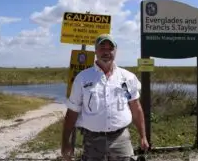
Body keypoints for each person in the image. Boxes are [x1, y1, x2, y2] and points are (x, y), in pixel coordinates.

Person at [61, 33, 149, 161]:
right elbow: (72, 112)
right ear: (96, 51)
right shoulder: (83, 78)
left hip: (121, 139)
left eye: (110, 48)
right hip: (92, 142)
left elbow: (136, 108)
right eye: (102, 48)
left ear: (116, 51)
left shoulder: (128, 77)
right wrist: (65, 142)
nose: (106, 52)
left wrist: (143, 136)